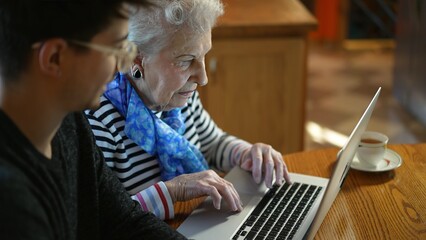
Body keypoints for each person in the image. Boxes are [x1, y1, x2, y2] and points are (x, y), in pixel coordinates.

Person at [85, 0, 292, 220]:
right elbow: (99, 221)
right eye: (185, 61)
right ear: (137, 59)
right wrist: (175, 190)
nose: (202, 78)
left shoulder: (179, 98)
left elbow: (213, 144)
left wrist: (248, 153)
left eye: (203, 56)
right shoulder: (99, 122)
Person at [0, 0, 186, 239]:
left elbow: (124, 220)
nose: (122, 66)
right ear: (55, 58)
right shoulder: (12, 204)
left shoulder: (69, 121)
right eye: (117, 49)